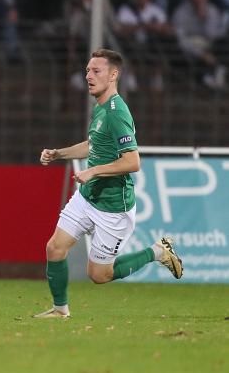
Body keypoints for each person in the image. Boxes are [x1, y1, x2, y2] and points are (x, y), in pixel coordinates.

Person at [35, 49, 183, 319]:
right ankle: (60, 310)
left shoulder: (117, 112)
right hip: (87, 197)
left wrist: (94, 172)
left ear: (113, 75)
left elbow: (132, 161)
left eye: (96, 71)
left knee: (99, 275)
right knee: (54, 248)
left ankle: (158, 252)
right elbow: (94, 145)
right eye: (87, 70)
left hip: (113, 207)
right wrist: (60, 153)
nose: (88, 76)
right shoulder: (101, 107)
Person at [171, 0, 229, 89]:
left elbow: (214, 36)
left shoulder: (212, 10)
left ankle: (219, 73)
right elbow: (180, 40)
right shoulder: (180, 13)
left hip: (210, 48)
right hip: (191, 51)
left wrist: (204, 18)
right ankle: (205, 78)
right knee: (177, 50)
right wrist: (200, 54)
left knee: (225, 43)